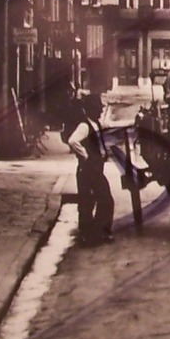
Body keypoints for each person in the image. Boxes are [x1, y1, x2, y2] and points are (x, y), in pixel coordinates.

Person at [65, 92, 115, 246]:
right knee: (87, 202)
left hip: (96, 168)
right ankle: (87, 236)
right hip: (87, 169)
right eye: (98, 108)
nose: (101, 111)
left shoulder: (96, 124)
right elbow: (72, 141)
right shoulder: (84, 125)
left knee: (105, 199)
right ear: (91, 109)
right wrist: (85, 156)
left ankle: (99, 232)